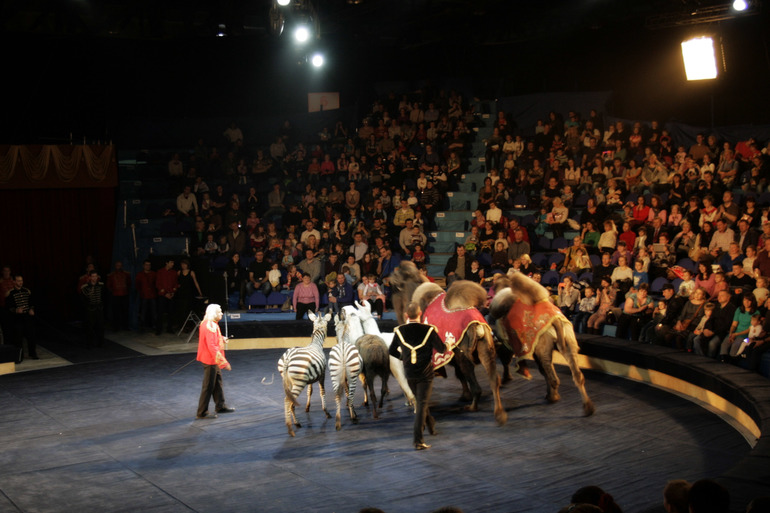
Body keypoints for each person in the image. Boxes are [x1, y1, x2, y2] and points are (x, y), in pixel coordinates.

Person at [390, 301, 445, 451]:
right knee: (421, 404)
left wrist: (404, 359)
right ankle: (418, 440)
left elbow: (392, 351)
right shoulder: (429, 330)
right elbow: (441, 349)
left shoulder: (400, 331)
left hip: (409, 373)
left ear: (406, 315)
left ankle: (431, 425)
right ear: (420, 314)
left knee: (421, 401)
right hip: (425, 375)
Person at [196, 303, 234, 419]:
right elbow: (212, 347)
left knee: (217, 382)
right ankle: (202, 412)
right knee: (208, 386)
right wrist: (224, 363)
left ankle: (220, 405)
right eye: (220, 312)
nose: (221, 313)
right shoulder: (210, 325)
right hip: (210, 359)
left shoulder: (208, 323)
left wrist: (221, 338)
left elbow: (213, 339)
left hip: (211, 359)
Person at [6, 275, 37, 360]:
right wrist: (16, 310)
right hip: (17, 318)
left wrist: (31, 309)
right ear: (14, 282)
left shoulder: (27, 291)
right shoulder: (10, 293)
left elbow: (31, 302)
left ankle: (33, 353)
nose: (21, 282)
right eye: (19, 281)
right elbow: (8, 306)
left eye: (21, 280)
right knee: (18, 338)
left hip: (27, 317)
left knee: (31, 336)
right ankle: (20, 356)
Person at [80, 271, 105, 349]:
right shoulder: (85, 287)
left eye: (95, 276)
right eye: (93, 276)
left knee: (100, 326)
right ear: (90, 277)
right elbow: (84, 299)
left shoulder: (101, 285)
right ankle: (90, 343)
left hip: (99, 308)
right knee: (90, 326)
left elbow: (104, 296)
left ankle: (100, 343)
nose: (94, 278)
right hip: (90, 309)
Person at [106, 261, 131, 331]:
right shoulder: (111, 275)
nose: (118, 267)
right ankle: (116, 327)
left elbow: (129, 283)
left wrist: (126, 290)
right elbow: (109, 285)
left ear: (122, 266)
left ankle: (125, 326)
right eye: (117, 265)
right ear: (115, 266)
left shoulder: (126, 274)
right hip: (115, 295)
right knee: (115, 312)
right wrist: (113, 291)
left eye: (120, 265)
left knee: (125, 311)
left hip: (124, 294)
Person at [156, 258, 179, 334]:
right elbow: (158, 284)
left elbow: (176, 283)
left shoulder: (174, 272)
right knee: (160, 312)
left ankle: (169, 328)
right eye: (171, 262)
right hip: (163, 295)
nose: (172, 264)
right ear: (167, 263)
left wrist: (173, 292)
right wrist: (165, 293)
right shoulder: (160, 272)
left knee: (171, 312)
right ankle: (159, 329)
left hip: (171, 295)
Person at [135, 260, 158, 333]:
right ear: (143, 266)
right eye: (146, 265)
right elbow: (137, 285)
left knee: (154, 312)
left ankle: (154, 325)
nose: (148, 266)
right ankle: (142, 326)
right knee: (143, 312)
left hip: (152, 295)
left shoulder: (153, 274)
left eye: (149, 265)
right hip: (144, 295)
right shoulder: (140, 274)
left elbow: (156, 283)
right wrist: (141, 291)